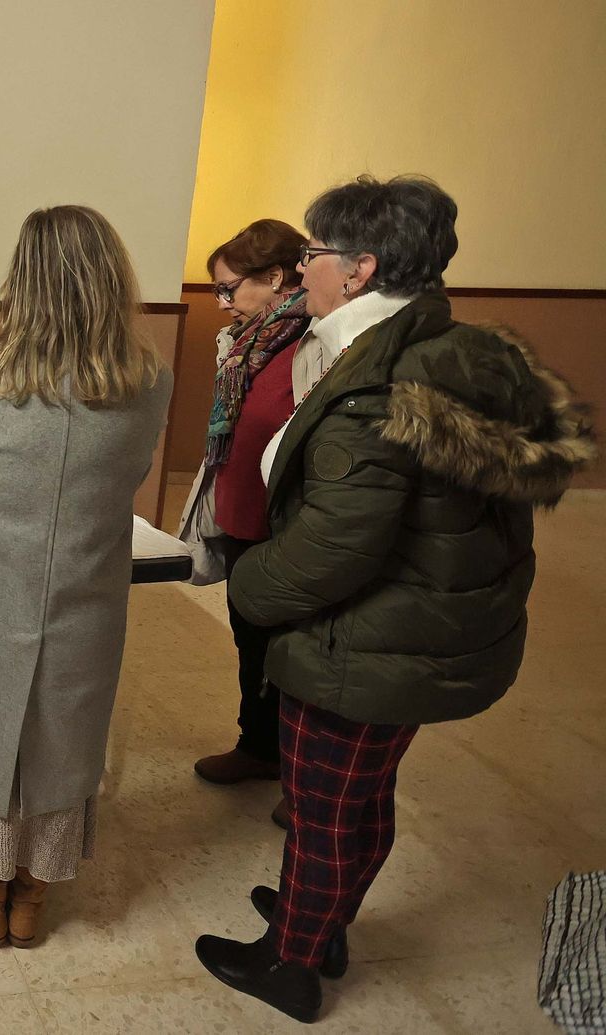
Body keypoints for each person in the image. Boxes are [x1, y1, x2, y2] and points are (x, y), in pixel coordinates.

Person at [195, 175, 594, 1023]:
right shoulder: (447, 344)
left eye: (313, 254)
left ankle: (291, 962)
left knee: (325, 803)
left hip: (368, 638)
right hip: (420, 626)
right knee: (360, 793)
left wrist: (251, 584)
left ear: (362, 267)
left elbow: (333, 548)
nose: (303, 268)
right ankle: (324, 918)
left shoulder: (371, 384)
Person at [0, 206, 172, 950]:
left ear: (22, 277)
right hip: (87, 597)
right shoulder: (149, 378)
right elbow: (129, 476)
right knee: (66, 735)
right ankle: (32, 892)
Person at [180, 220, 311, 830]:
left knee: (292, 653)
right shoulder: (245, 342)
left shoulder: (310, 344)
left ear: (276, 279)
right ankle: (257, 749)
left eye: (230, 289)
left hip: (285, 526)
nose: (224, 303)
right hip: (241, 515)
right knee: (250, 642)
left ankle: (303, 776)